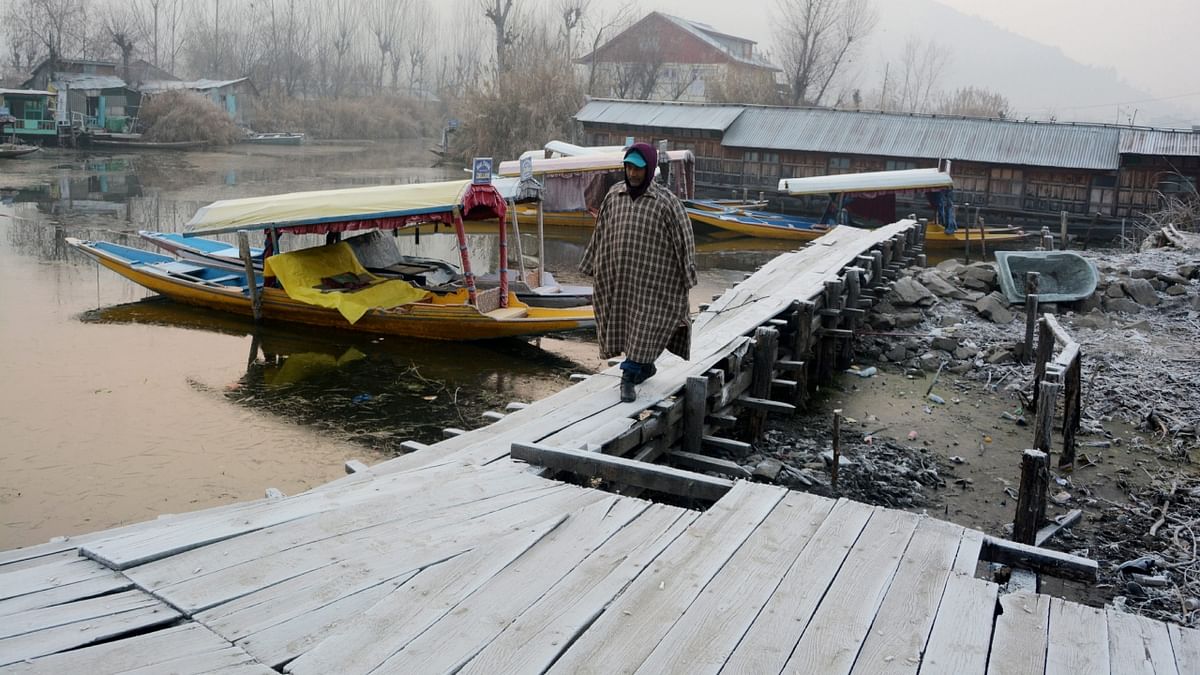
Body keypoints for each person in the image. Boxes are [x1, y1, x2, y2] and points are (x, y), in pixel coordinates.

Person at [580, 142, 697, 403]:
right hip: (619, 278)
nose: (633, 174)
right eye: (629, 167)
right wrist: (591, 264)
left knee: (645, 325)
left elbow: (684, 240)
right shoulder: (614, 196)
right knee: (624, 324)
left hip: (653, 282)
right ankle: (644, 367)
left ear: (650, 169)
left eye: (639, 169)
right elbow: (601, 233)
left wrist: (688, 276)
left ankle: (629, 376)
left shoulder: (667, 203)